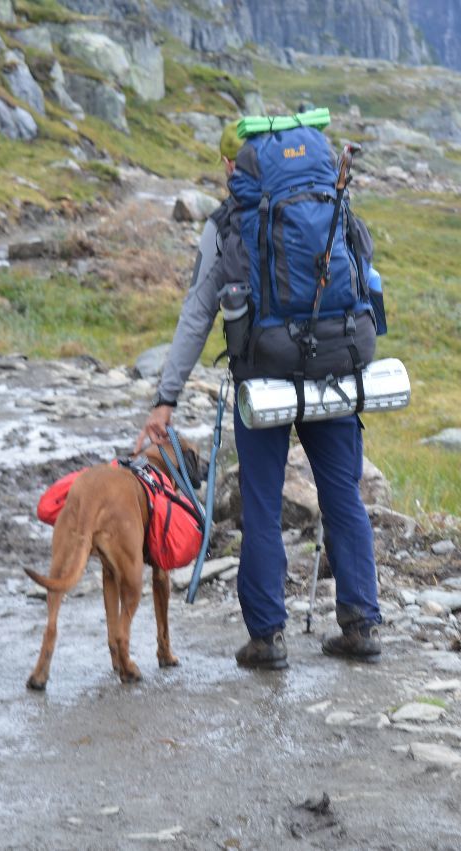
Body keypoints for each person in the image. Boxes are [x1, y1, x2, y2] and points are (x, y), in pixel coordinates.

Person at [135, 120, 383, 670]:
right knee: (343, 495)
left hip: (264, 374)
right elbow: (365, 280)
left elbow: (198, 313)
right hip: (335, 367)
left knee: (264, 507)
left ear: (232, 167)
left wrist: (164, 399)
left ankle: (268, 638)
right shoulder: (331, 202)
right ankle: (361, 622)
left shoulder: (228, 224)